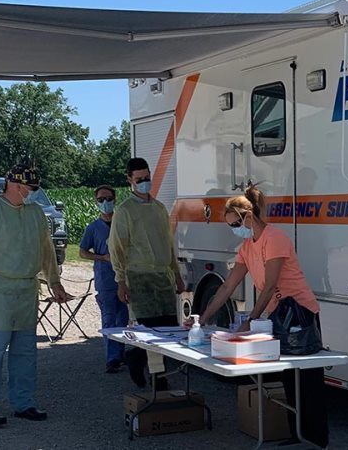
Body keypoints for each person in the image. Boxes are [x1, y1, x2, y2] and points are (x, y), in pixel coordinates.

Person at [186, 185, 328, 448]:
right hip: (278, 315)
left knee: (308, 379)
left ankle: (317, 439)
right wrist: (202, 317)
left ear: (249, 217)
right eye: (230, 225)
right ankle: (297, 434)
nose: (234, 229)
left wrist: (251, 319)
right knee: (287, 377)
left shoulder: (275, 238)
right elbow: (228, 286)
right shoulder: (246, 246)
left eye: (235, 223)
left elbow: (271, 284)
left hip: (300, 313)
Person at [0, 163, 72, 428]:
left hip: (26, 290)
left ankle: (23, 404)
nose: (33, 193)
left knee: (25, 351)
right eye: (30, 189)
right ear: (14, 185)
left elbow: (46, 250)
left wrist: (54, 282)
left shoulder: (35, 213)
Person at [108, 158, 184, 389]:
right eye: (139, 179)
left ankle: (154, 372)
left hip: (163, 276)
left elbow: (168, 244)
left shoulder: (160, 208)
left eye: (147, 178)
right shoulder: (125, 211)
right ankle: (148, 371)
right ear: (130, 180)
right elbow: (117, 248)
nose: (144, 183)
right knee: (148, 331)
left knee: (168, 330)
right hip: (139, 277)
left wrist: (177, 274)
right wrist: (121, 281)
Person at [79, 185, 128, 374]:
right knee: (109, 319)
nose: (105, 203)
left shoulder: (122, 224)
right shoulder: (93, 228)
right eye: (101, 200)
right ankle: (112, 358)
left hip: (123, 279)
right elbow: (82, 252)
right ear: (96, 202)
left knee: (123, 319)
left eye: (108, 199)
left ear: (115, 199)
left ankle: (121, 353)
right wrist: (101, 257)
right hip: (105, 280)